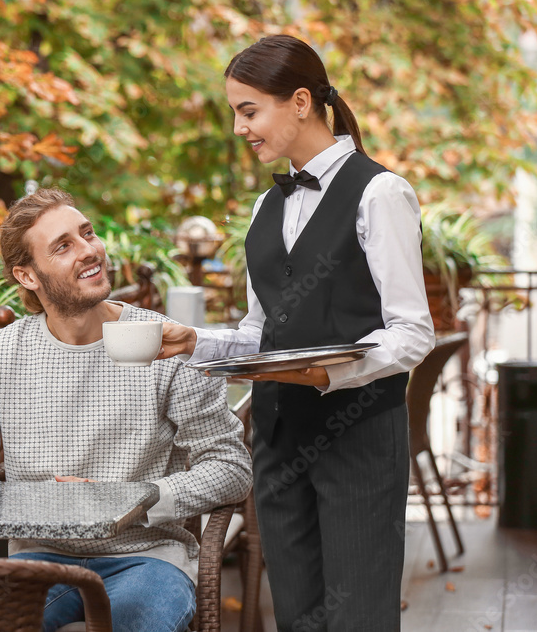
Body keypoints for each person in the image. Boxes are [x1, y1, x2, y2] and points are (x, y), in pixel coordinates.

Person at [159, 35, 434, 631]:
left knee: (358, 615)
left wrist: (330, 372)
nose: (239, 128)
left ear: (301, 101)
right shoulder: (266, 208)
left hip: (358, 434)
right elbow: (264, 332)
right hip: (279, 438)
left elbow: (412, 333)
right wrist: (194, 342)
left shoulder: (380, 193)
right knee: (297, 616)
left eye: (248, 110)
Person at [0, 188, 252, 632]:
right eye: (64, 245)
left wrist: (135, 500)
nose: (90, 250)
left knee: (140, 623)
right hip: (39, 560)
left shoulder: (165, 344)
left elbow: (231, 468)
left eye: (88, 233)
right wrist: (27, 503)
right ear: (28, 276)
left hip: (147, 558)